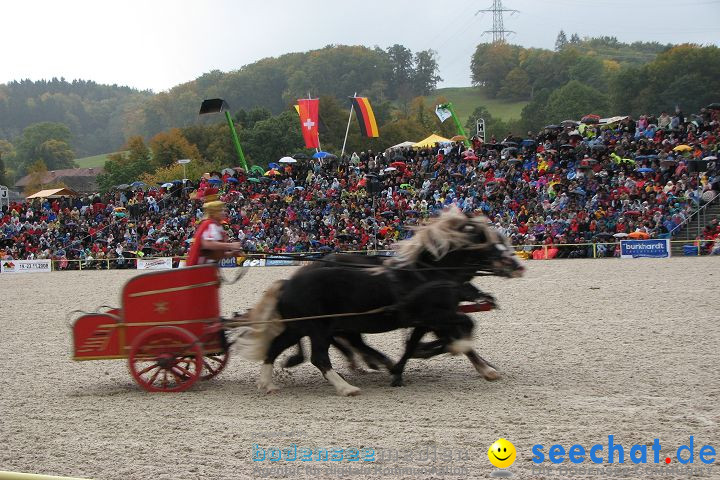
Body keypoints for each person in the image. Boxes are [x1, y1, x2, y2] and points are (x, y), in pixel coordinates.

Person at [185, 195, 243, 266]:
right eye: (221, 210)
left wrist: (232, 254)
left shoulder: (216, 225)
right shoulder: (210, 224)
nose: (224, 212)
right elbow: (207, 244)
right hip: (198, 268)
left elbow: (214, 254)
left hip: (207, 267)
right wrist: (230, 245)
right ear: (215, 213)